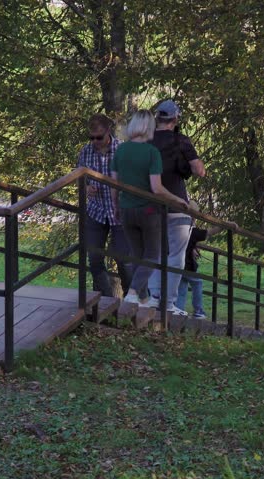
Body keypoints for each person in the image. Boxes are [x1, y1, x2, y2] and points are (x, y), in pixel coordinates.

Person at [111, 110, 188, 306]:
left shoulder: (120, 150)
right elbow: (157, 188)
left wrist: (116, 207)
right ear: (149, 127)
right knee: (153, 255)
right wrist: (177, 200)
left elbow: (115, 183)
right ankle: (133, 293)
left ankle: (143, 297)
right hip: (148, 211)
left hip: (126, 209)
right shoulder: (151, 152)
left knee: (138, 255)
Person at [146, 100, 206, 315]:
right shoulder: (181, 140)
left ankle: (154, 297)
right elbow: (199, 170)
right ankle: (168, 302)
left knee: (155, 252)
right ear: (175, 119)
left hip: (149, 205)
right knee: (176, 256)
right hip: (176, 205)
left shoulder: (145, 140)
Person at [76, 113, 132, 298]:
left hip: (119, 210)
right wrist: (86, 186)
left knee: (123, 259)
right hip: (96, 210)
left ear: (108, 132)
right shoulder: (85, 151)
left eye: (99, 137)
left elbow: (134, 181)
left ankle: (131, 298)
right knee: (94, 256)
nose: (95, 141)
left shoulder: (123, 150)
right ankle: (105, 300)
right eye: (91, 137)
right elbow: (78, 177)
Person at [175, 204, 233, 318]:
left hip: (176, 263)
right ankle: (198, 310)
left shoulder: (175, 226)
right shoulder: (191, 230)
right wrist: (224, 225)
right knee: (197, 283)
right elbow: (209, 232)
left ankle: (178, 310)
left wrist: (192, 248)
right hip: (187, 265)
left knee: (182, 287)